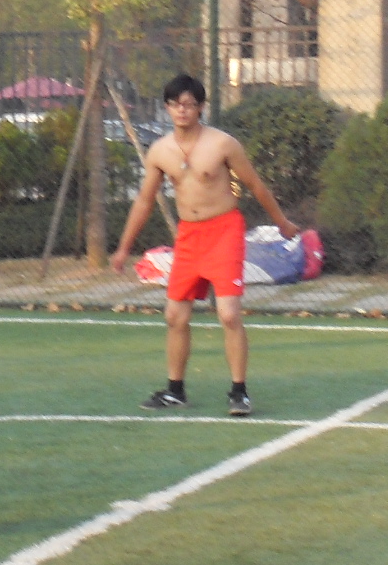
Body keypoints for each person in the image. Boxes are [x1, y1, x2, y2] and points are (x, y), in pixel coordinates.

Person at [109, 74, 300, 418]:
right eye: (175, 104)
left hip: (224, 231)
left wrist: (282, 222)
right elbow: (144, 201)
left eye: (189, 104)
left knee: (228, 314)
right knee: (174, 315)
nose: (182, 110)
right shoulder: (160, 151)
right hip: (189, 236)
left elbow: (256, 186)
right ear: (167, 108)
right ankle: (175, 390)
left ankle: (239, 392)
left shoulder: (223, 144)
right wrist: (124, 247)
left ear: (200, 107)